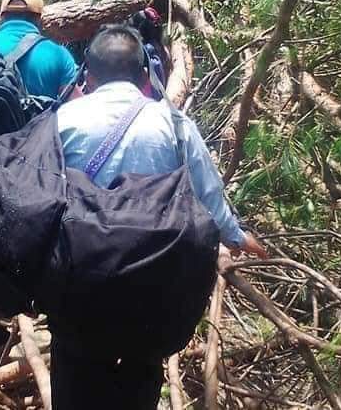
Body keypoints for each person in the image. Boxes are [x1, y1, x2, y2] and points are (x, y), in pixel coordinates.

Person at [54, 24, 269, 410]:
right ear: (144, 76)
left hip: (79, 284)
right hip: (151, 285)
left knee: (76, 374)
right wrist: (237, 237)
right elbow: (209, 198)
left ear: (87, 76)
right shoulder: (174, 124)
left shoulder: (62, 121)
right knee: (141, 374)